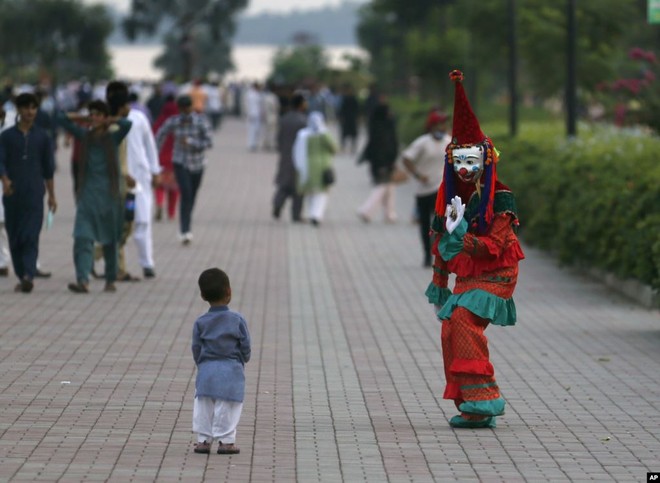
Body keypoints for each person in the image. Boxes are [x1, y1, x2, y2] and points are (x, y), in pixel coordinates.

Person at [426, 70, 525, 429]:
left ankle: (487, 400)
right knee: (451, 326)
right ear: (450, 161)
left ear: (486, 159)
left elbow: (496, 245)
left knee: (465, 320)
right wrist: (439, 283)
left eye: (472, 161)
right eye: (459, 161)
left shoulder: (500, 197)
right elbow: (440, 245)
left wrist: (463, 234)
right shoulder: (447, 196)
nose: (465, 169)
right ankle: (471, 406)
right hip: (469, 275)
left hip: (497, 273)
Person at [57, 100, 132, 293]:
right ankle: (83, 280)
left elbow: (126, 124)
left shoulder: (113, 137)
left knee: (110, 240)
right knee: (82, 236)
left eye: (99, 114)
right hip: (88, 195)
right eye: (93, 114)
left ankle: (110, 279)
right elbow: (60, 118)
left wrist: (107, 120)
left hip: (110, 196)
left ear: (105, 118)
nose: (95, 117)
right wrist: (84, 118)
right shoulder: (85, 136)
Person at [0, 93, 57, 293]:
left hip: (34, 194)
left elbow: (49, 169)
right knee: (14, 236)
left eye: (33, 108)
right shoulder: (6, 137)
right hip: (12, 194)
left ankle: (28, 275)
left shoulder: (42, 137)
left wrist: (52, 195)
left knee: (31, 235)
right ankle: (21, 273)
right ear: (19, 110)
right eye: (26, 108)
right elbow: (1, 162)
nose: (30, 112)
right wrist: (5, 180)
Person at [192, 268, 251, 455]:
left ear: (202, 295)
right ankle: (226, 441)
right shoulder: (237, 320)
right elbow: (245, 345)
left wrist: (201, 363)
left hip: (207, 370)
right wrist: (243, 359)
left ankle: (203, 440)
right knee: (228, 406)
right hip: (231, 370)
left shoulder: (201, 322)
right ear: (229, 291)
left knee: (203, 405)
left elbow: (196, 347)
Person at [109, 81, 162, 279]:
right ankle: (109, 261)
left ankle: (147, 263)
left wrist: (155, 170)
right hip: (116, 181)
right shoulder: (108, 122)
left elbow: (150, 145)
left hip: (140, 178)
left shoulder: (139, 118)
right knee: (118, 223)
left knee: (142, 220)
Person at [155, 95, 212, 245]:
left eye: (187, 110)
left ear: (191, 108)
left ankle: (187, 220)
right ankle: (185, 230)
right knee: (185, 192)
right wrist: (155, 153)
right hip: (180, 162)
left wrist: (191, 142)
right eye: (182, 110)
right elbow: (160, 134)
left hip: (198, 164)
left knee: (192, 196)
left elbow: (209, 142)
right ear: (179, 109)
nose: (185, 113)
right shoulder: (174, 121)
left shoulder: (201, 121)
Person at [402, 110, 452, 267]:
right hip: (424, 191)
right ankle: (427, 254)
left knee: (443, 223)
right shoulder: (422, 143)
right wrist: (417, 175)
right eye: (438, 124)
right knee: (425, 224)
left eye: (443, 124)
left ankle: (440, 252)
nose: (441, 127)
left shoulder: (449, 142)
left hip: (443, 189)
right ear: (431, 126)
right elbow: (406, 158)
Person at [356, 99, 399, 223]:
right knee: (382, 186)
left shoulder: (375, 126)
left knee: (389, 187)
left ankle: (389, 214)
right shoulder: (385, 129)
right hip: (384, 163)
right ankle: (366, 210)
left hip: (377, 163)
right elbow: (389, 147)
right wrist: (388, 162)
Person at [293, 112, 337, 227]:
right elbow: (334, 148)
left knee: (310, 191)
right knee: (321, 192)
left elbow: (296, 150)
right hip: (323, 166)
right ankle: (316, 215)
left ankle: (312, 213)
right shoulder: (324, 134)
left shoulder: (303, 134)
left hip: (307, 166)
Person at [272, 93, 307, 222]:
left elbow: (279, 138)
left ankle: (277, 204)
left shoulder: (284, 119)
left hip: (285, 155)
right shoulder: (303, 121)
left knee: (283, 185)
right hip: (299, 158)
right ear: (301, 104)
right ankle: (296, 215)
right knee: (298, 188)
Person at [152, 95, 179, 222]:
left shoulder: (159, 121)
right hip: (175, 159)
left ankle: (159, 203)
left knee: (160, 185)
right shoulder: (179, 123)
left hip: (160, 159)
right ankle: (171, 212)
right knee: (174, 188)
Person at [338, 84, 359, 154]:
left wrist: (358, 117)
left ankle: (353, 147)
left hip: (352, 118)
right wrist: (341, 117)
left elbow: (357, 109)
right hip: (346, 119)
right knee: (344, 134)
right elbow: (341, 109)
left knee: (353, 134)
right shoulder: (344, 99)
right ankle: (343, 147)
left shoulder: (354, 99)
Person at [244, 82, 262, 151]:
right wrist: (248, 113)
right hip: (251, 114)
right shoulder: (250, 94)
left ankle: (254, 144)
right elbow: (247, 105)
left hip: (257, 114)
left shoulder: (257, 94)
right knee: (251, 130)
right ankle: (251, 144)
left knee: (257, 130)